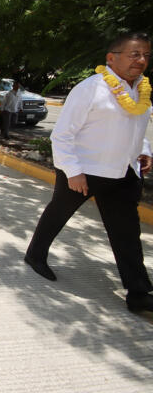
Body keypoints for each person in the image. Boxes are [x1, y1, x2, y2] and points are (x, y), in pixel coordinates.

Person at [25, 32, 153, 313]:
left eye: (145, 54)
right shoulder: (91, 89)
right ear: (112, 58)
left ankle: (138, 292)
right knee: (58, 213)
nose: (141, 60)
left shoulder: (142, 90)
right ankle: (35, 254)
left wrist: (145, 150)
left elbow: (137, 127)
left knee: (127, 232)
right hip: (85, 171)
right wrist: (72, 171)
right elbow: (62, 135)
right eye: (134, 54)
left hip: (124, 173)